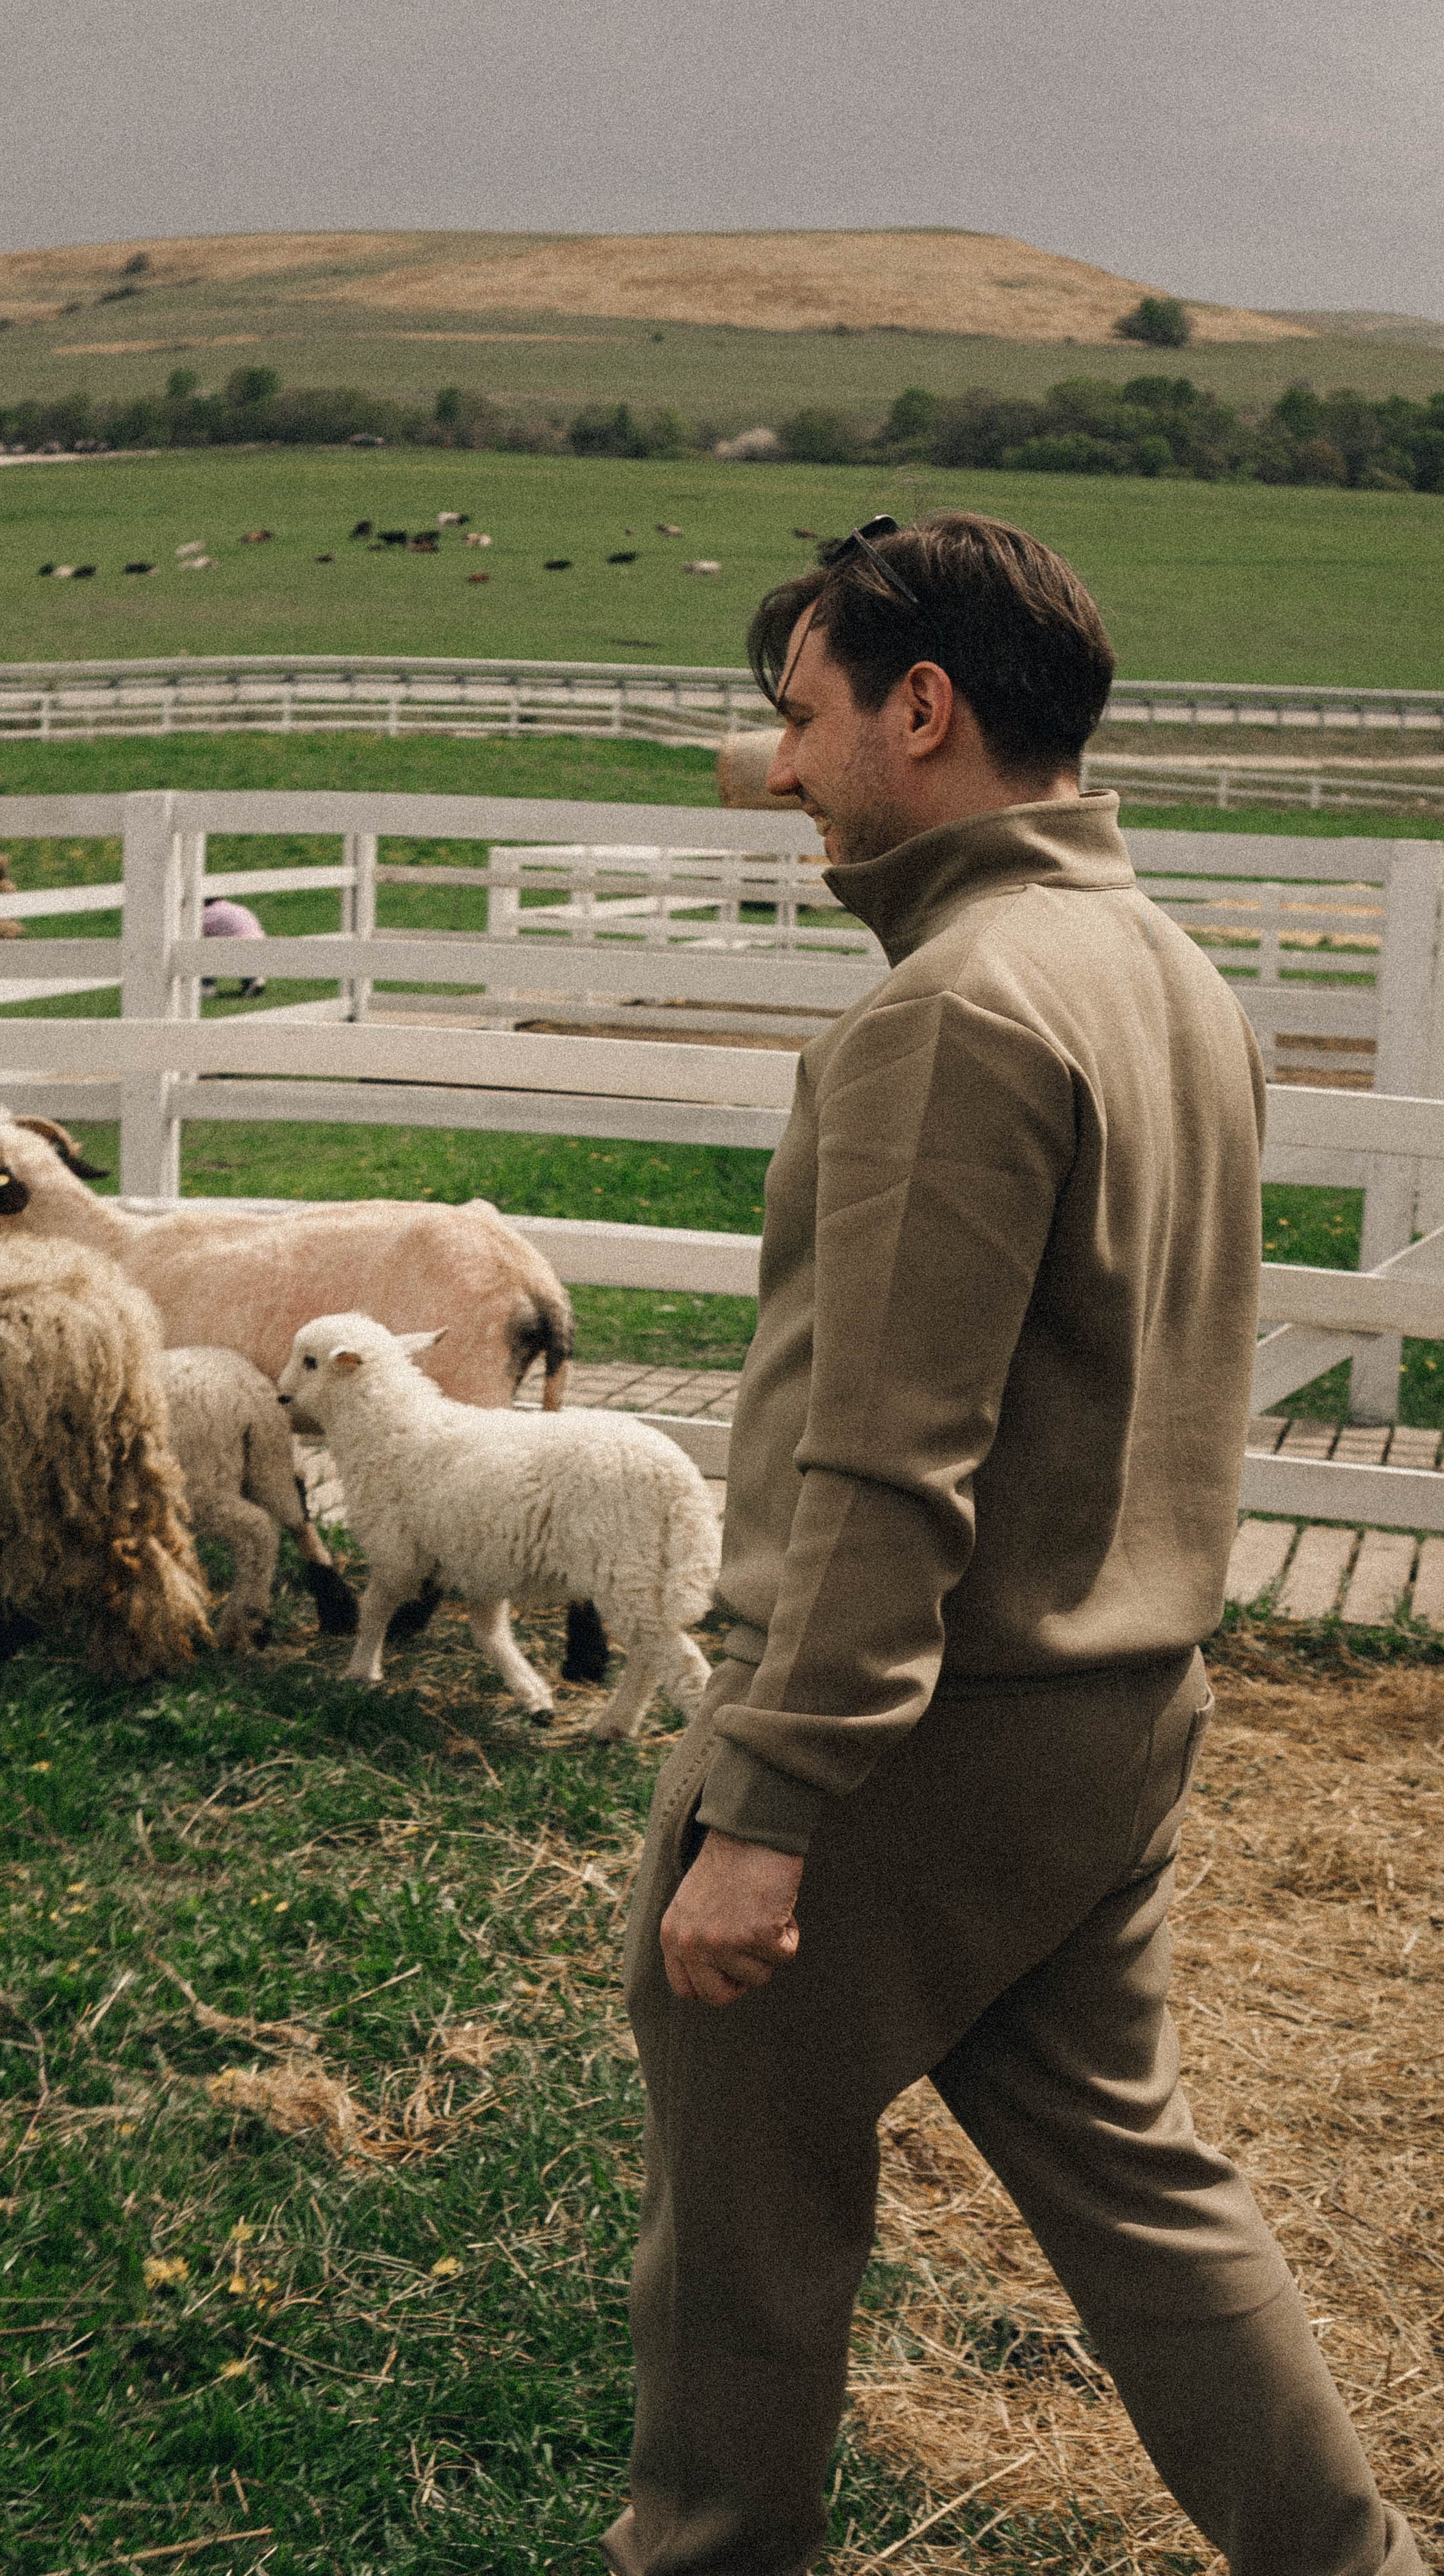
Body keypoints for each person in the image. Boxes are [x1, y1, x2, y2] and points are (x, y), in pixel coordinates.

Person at [603, 513, 1421, 2576]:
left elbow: (887, 1462)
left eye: (800, 719)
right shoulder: (1169, 980)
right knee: (1139, 2185)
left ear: (925, 707)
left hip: (909, 1740)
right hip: (1118, 1714)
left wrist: (773, 1805)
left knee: (750, 2242)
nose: (780, 769)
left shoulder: (955, 1015)